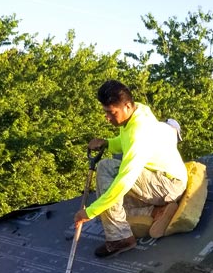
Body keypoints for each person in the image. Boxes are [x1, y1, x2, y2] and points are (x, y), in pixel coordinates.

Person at [74, 80, 187, 257]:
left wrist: (90, 212)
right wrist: (108, 143)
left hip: (168, 184)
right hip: (157, 179)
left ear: (126, 106)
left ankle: (120, 238)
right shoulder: (136, 112)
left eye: (111, 113)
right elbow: (125, 142)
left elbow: (125, 180)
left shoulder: (138, 132)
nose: (107, 118)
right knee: (110, 203)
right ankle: (157, 211)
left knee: (108, 180)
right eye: (105, 112)